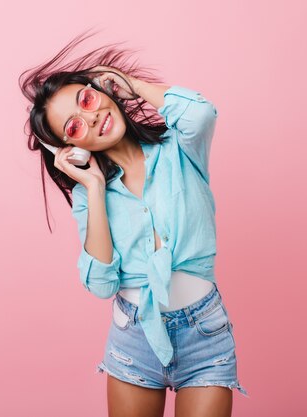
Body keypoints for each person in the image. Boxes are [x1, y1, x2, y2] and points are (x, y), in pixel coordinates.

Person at [19, 31, 249, 417]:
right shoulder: (88, 196)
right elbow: (101, 284)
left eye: (87, 99)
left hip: (205, 335)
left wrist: (133, 86)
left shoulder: (180, 149)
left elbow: (202, 113)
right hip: (134, 340)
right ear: (71, 147)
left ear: (104, 91)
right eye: (73, 127)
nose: (91, 117)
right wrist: (92, 187)